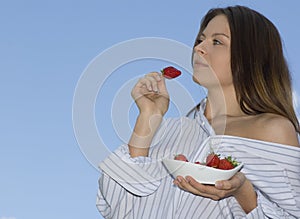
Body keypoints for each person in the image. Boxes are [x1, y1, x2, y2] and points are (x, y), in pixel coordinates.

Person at [96, 5, 300, 219]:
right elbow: (119, 210)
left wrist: (242, 191)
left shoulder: (272, 129)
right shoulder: (172, 130)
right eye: (200, 40)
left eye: (217, 41)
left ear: (252, 57)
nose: (199, 48)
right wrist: (147, 117)